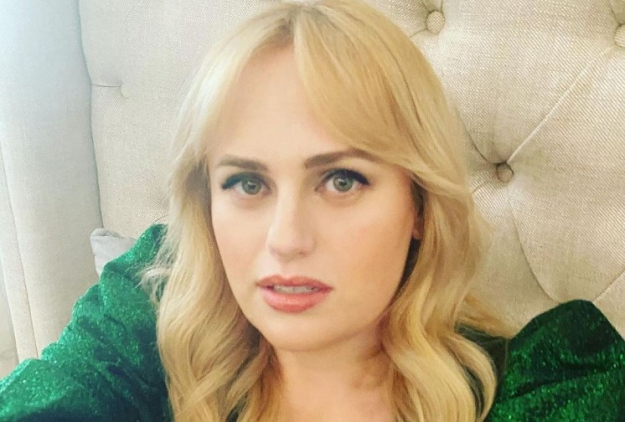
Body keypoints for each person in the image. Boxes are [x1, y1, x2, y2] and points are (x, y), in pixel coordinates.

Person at [1, 0, 623, 421]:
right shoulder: (146, 329)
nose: (287, 238)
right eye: (247, 183)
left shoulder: (539, 386)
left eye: (341, 180)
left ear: (419, 204)